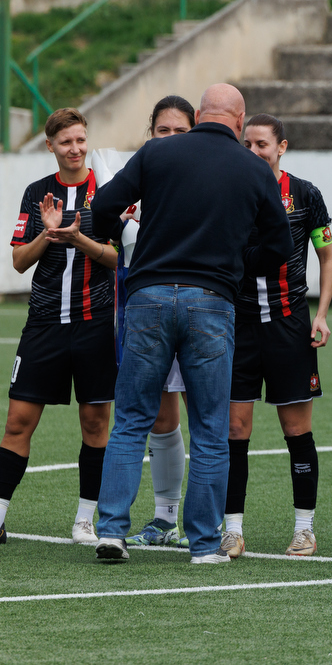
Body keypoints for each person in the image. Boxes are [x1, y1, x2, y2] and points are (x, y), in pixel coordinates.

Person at [91, 83, 293, 563]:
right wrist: (239, 264)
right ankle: (204, 544)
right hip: (212, 300)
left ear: (200, 114)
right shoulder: (254, 168)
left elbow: (102, 209)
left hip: (148, 297)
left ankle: (112, 531)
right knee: (208, 427)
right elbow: (281, 246)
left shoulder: (158, 153)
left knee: (131, 421)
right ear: (240, 122)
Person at [0, 108, 119, 546]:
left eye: (81, 140)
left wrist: (77, 238)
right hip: (45, 324)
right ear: (50, 146)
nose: (75, 148)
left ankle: (85, 521)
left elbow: (118, 258)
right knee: (17, 422)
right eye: (66, 141)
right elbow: (18, 262)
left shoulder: (107, 191)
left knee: (94, 422)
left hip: (94, 325)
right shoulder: (37, 194)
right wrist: (47, 236)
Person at [223, 114, 332, 558]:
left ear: (281, 147)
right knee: (235, 428)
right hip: (237, 327)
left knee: (296, 429)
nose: (252, 152)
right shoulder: (227, 192)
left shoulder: (305, 195)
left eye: (261, 145)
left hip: (291, 326)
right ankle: (232, 530)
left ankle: (304, 528)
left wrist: (322, 315)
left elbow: (327, 257)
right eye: (245, 143)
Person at [124, 95, 197, 548]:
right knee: (161, 417)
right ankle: (165, 518)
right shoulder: (133, 181)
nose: (170, 140)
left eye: (181, 132)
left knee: (211, 417)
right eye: (163, 131)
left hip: (204, 309)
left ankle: (217, 523)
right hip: (149, 312)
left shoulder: (208, 179)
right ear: (150, 133)